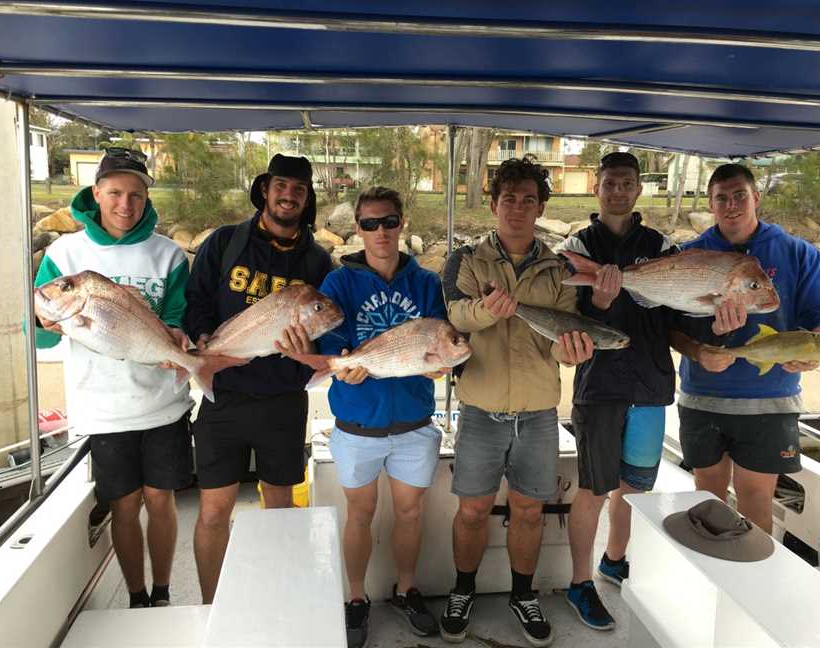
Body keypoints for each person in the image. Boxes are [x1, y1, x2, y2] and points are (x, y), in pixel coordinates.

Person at [554, 152, 745, 632]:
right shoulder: (577, 245)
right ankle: (580, 583)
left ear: (639, 189)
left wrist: (710, 339)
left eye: (626, 183)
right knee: (594, 489)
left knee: (635, 488)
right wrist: (598, 300)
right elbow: (565, 319)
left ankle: (613, 560)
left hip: (651, 385)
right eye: (609, 183)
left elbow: (678, 321)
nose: (617, 190)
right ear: (595, 187)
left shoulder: (662, 246)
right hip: (598, 389)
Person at [441, 158, 593, 647]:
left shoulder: (560, 268)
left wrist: (572, 350)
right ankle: (463, 590)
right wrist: (487, 310)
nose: (519, 208)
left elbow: (561, 334)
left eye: (529, 199)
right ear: (493, 204)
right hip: (480, 411)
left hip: (539, 414)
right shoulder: (465, 259)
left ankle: (522, 595)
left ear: (542, 207)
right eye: (509, 198)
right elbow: (456, 319)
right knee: (471, 511)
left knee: (529, 511)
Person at [35, 148, 193, 608]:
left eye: (137, 195)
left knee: (161, 501)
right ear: (96, 194)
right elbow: (42, 339)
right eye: (116, 193)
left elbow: (178, 318)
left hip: (165, 402)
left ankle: (162, 593)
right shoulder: (63, 254)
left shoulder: (169, 254)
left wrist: (177, 341)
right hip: (102, 410)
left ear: (147, 198)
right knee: (125, 506)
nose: (126, 204)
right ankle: (136, 595)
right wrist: (43, 325)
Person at [184, 154, 332, 603]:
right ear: (265, 189)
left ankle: (276, 601)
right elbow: (196, 301)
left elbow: (328, 332)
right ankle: (213, 606)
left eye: (299, 190)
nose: (289, 195)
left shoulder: (318, 261)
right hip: (222, 398)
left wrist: (308, 352)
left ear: (306, 201)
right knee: (212, 512)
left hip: (283, 402)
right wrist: (206, 342)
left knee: (281, 508)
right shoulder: (224, 243)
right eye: (281, 185)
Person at [669, 163, 820, 533]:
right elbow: (669, 327)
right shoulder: (689, 255)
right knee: (708, 500)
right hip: (704, 396)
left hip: (770, 399)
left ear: (756, 198)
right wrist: (699, 352)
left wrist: (814, 346)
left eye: (740, 195)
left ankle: (752, 584)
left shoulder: (798, 253)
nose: (731, 205)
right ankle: (710, 582)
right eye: (722, 198)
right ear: (711, 204)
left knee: (755, 501)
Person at [317, 186, 447, 648]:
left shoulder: (428, 283)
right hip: (357, 424)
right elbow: (330, 346)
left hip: (414, 425)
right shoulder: (339, 283)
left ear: (401, 223)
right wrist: (344, 363)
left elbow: (440, 344)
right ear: (357, 229)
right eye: (370, 224)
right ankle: (356, 598)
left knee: (410, 513)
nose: (380, 232)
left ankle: (407, 588)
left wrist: (444, 362)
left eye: (388, 221)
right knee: (360, 513)